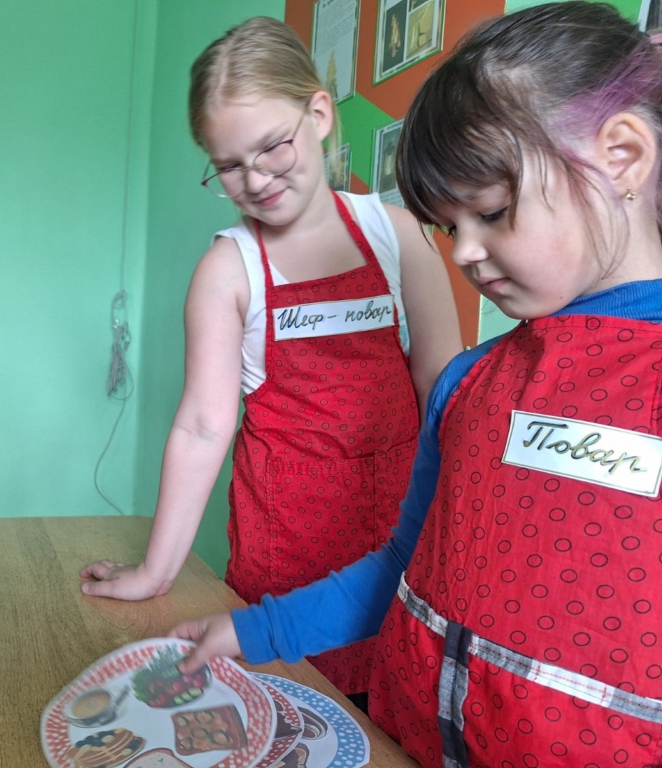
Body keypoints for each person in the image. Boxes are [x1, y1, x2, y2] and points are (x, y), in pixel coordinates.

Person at [170, 3, 662, 765]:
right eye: (449, 227)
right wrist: (253, 628)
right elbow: (406, 563)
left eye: (492, 212)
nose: (463, 253)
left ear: (622, 156)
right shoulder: (469, 384)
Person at [82, 16, 461, 707]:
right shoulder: (228, 270)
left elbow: (443, 387)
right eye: (229, 165)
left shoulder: (398, 234)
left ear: (318, 114)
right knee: (286, 713)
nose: (255, 178)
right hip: (283, 548)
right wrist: (156, 571)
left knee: (390, 715)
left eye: (271, 147)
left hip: (397, 542)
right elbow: (203, 426)